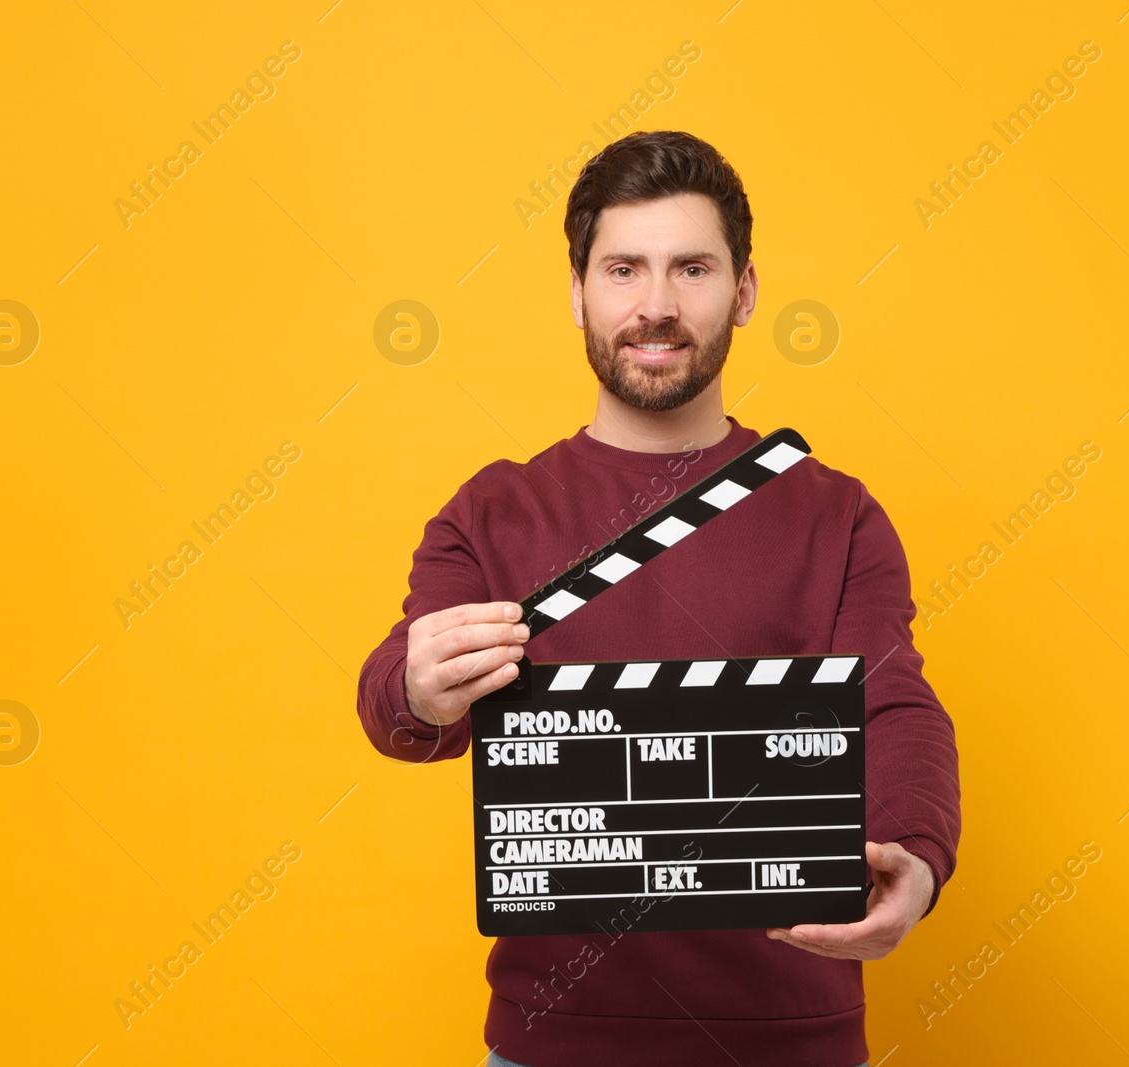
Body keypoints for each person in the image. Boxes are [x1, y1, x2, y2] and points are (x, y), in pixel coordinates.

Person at [357, 130, 961, 1067]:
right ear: (578, 294)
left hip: (790, 1037)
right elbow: (398, 704)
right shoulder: (494, 510)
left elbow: (893, 700)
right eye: (624, 269)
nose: (656, 305)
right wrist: (417, 688)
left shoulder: (833, 512)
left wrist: (919, 855)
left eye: (692, 267)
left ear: (745, 291)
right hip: (551, 1042)